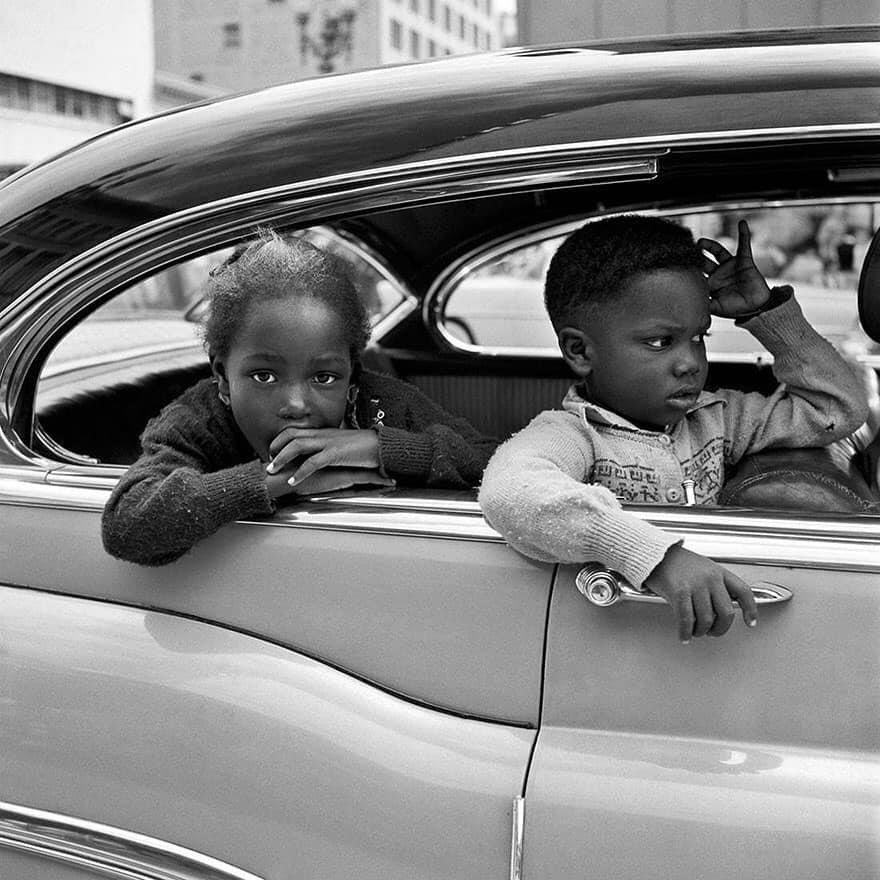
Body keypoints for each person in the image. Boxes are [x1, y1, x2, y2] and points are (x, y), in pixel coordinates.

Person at [479, 215, 869, 643]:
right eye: (660, 342)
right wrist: (656, 559)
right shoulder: (574, 433)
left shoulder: (717, 418)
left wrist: (764, 313)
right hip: (614, 637)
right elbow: (510, 493)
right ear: (579, 351)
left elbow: (836, 409)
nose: (691, 363)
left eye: (699, 337)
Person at [103, 229, 498, 566]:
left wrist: (380, 447)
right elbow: (126, 523)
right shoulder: (201, 420)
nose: (296, 404)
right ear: (222, 377)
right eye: (264, 375)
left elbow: (491, 461)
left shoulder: (378, 404)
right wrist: (274, 482)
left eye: (324, 377)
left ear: (352, 378)